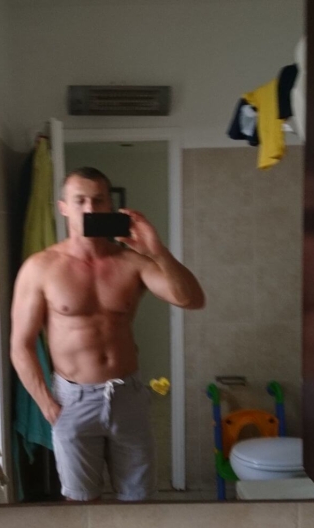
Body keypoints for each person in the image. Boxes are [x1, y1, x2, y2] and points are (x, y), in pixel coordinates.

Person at [10, 167, 205, 501]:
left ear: (110, 206)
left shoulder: (132, 262)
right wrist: (47, 405)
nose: (90, 208)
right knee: (81, 502)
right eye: (80, 200)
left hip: (127, 395)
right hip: (72, 400)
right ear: (63, 207)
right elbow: (21, 345)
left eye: (98, 200)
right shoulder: (41, 267)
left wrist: (156, 250)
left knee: (139, 500)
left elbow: (192, 299)